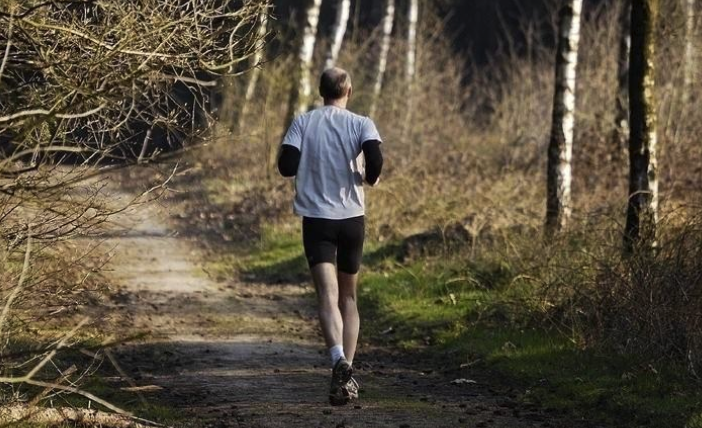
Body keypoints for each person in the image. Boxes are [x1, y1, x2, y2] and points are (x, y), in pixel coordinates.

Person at [277, 68, 384, 406]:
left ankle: (338, 360)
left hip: (317, 222)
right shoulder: (362, 123)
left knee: (327, 295)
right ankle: (346, 374)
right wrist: (368, 175)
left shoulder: (303, 122)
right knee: (348, 299)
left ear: (320, 91)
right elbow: (377, 162)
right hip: (352, 219)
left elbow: (286, 166)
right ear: (348, 91)